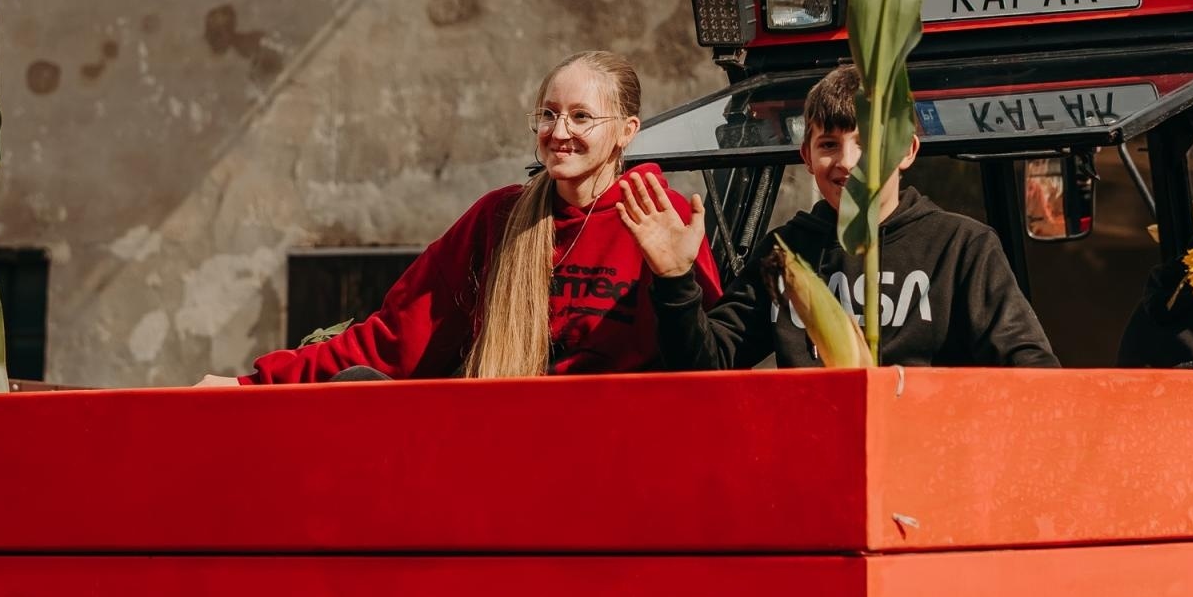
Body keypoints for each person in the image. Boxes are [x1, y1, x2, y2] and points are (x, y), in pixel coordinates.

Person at [196, 51, 722, 385]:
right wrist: (252, 385)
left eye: (581, 116)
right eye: (548, 113)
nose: (559, 131)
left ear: (627, 130)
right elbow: (396, 340)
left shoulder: (663, 219)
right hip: (503, 449)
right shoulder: (498, 218)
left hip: (621, 458)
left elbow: (706, 368)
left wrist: (677, 280)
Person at [616, 63, 1058, 369]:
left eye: (866, 143)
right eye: (829, 144)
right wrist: (675, 278)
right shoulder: (784, 254)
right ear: (806, 156)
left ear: (907, 151)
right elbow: (707, 368)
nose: (847, 162)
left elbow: (1030, 370)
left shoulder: (962, 249)